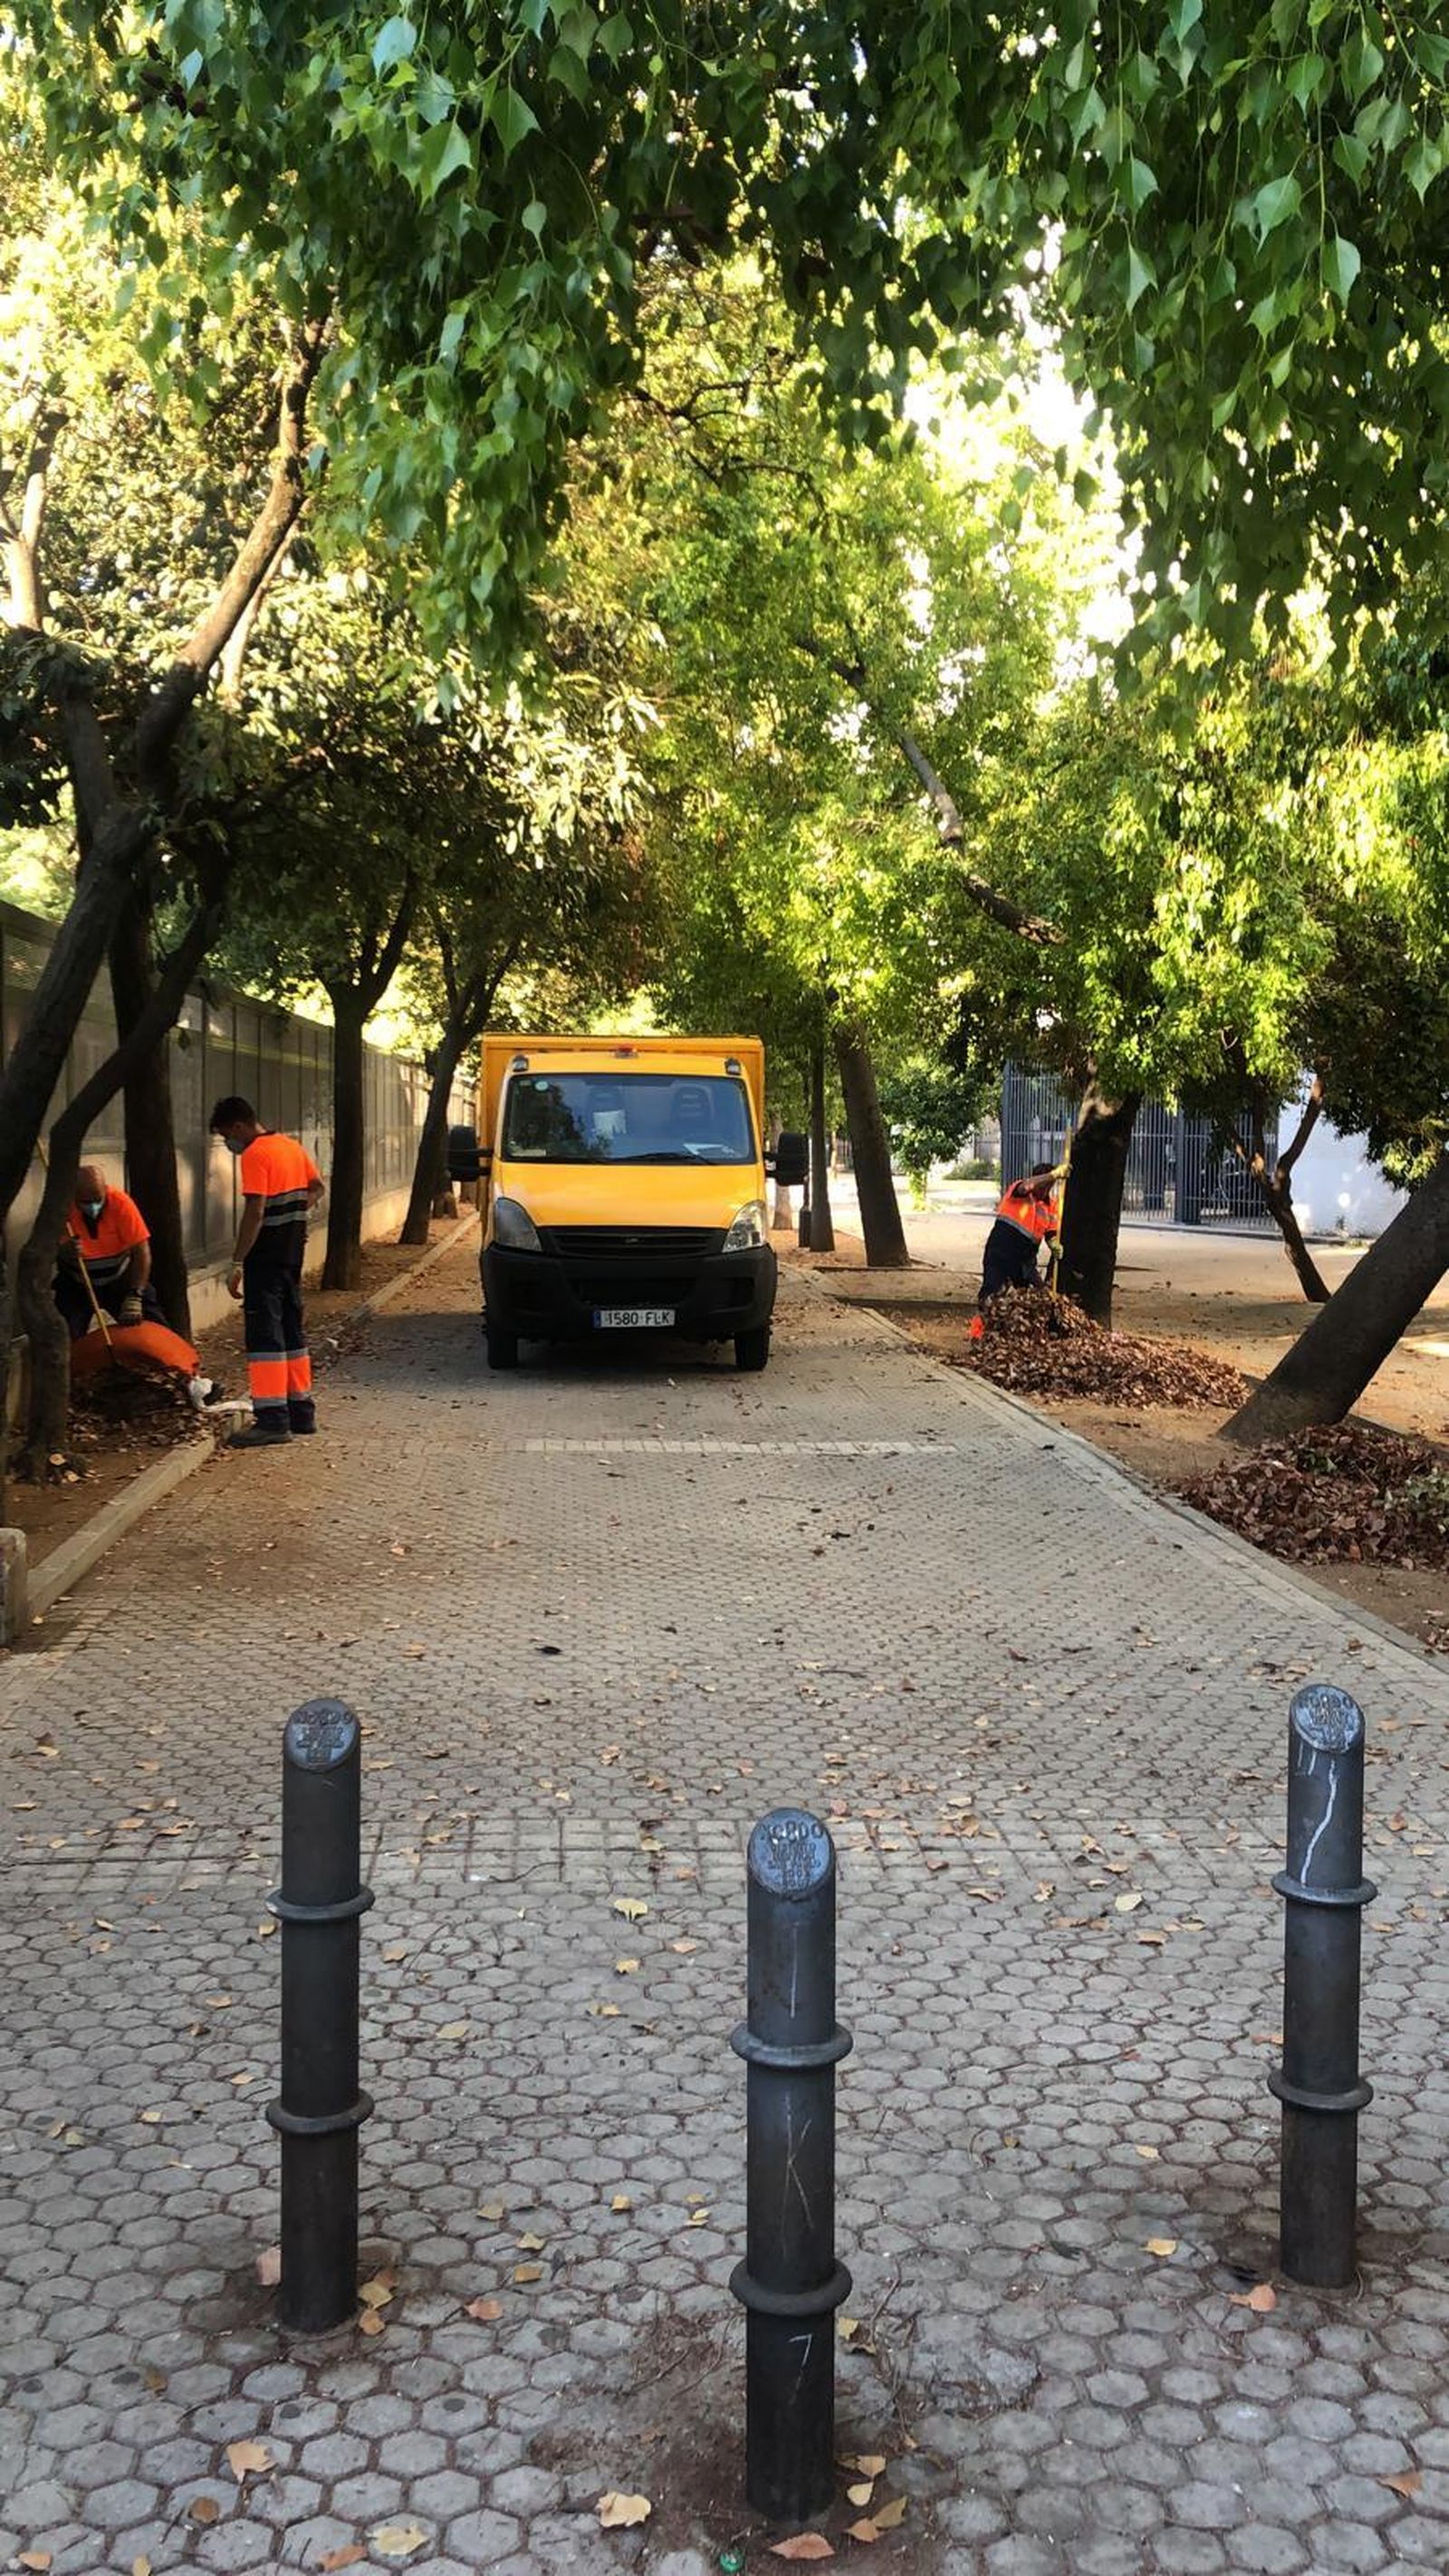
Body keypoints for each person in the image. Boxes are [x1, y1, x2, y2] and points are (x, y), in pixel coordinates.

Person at [209, 1097, 325, 1450]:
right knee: (292, 1331)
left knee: (265, 1338)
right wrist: (294, 1217)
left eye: (228, 1134)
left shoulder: (256, 1154)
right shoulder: (291, 1147)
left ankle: (273, 1418)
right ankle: (301, 1411)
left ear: (239, 1126)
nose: (230, 1142)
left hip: (265, 1258)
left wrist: (238, 1260)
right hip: (292, 1255)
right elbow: (317, 1188)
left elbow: (255, 1211)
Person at [56, 1165, 167, 1340]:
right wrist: (63, 1251)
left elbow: (142, 1251)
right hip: (77, 1281)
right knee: (64, 1333)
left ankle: (164, 1362)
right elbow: (46, 1250)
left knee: (153, 1326)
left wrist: (135, 1294)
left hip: (120, 1278)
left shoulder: (121, 1203)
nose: (93, 1206)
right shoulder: (60, 1208)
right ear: (74, 1196)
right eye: (85, 1202)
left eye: (97, 1199)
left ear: (105, 1190)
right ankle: (74, 1364)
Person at [979, 1162, 1060, 1305]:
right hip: (1001, 1254)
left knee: (1039, 1298)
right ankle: (979, 1326)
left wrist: (1054, 1242)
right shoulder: (1018, 1191)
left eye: (1050, 1186)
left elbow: (1051, 1231)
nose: (1046, 1190)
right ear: (1036, 1181)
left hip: (1025, 1261)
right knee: (990, 1297)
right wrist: (1051, 1176)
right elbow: (1026, 1186)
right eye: (1043, 1185)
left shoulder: (1051, 1205)